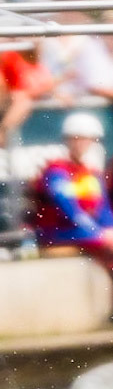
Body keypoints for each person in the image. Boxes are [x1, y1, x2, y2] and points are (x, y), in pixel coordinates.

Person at [31, 110, 113, 276]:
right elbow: (69, 210)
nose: (81, 144)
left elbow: (103, 208)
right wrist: (97, 232)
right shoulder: (56, 171)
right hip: (57, 231)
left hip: (84, 231)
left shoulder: (91, 173)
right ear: (67, 140)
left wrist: (109, 228)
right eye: (76, 139)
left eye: (86, 139)